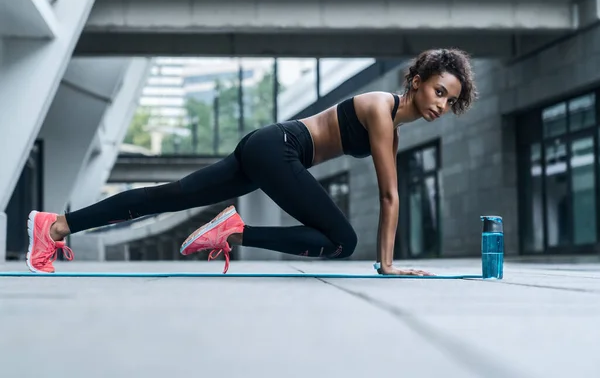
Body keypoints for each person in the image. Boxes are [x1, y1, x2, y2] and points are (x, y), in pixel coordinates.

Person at [26, 48, 477, 275]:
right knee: (341, 239)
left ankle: (57, 226)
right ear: (416, 81)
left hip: (269, 147)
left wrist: (386, 263)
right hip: (276, 148)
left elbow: (389, 193)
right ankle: (234, 230)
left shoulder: (391, 130)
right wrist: (388, 265)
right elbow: (389, 195)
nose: (441, 103)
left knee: (170, 196)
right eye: (439, 90)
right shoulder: (381, 110)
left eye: (450, 100)